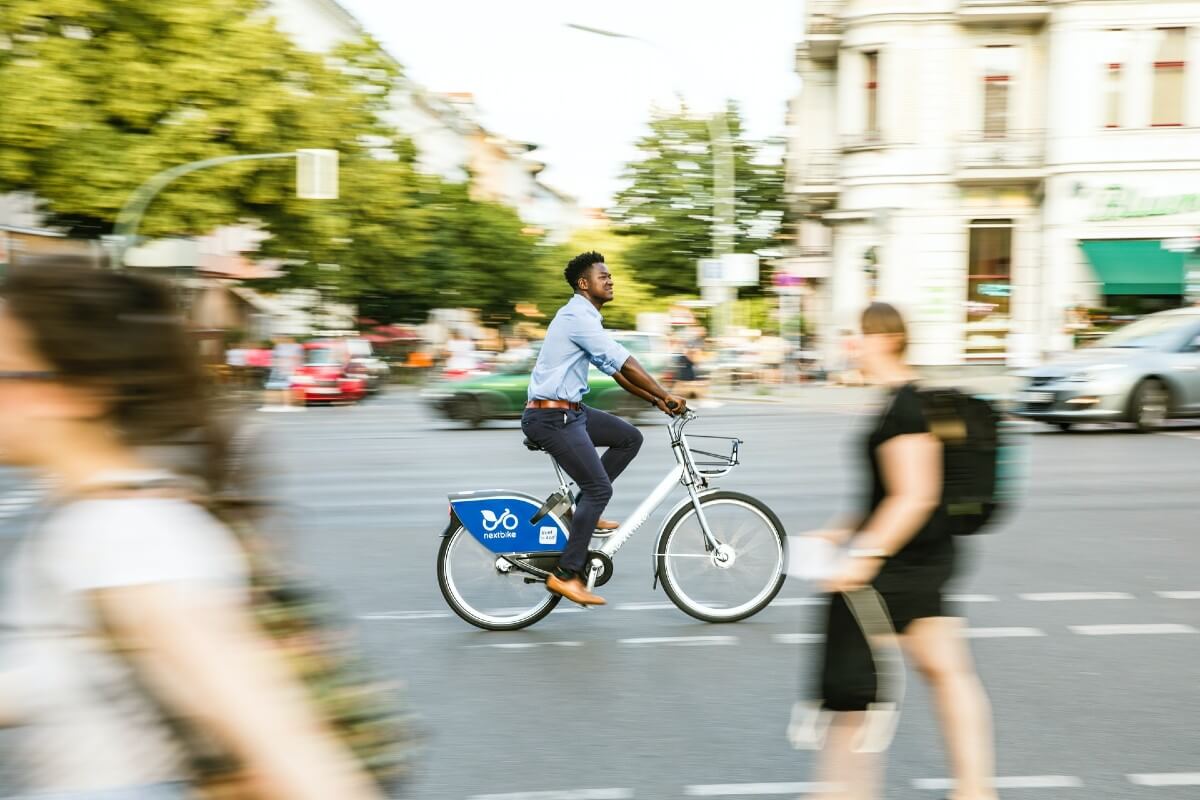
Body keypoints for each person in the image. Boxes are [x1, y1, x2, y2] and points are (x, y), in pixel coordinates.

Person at [0, 261, 384, 799]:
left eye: (8, 372)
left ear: (78, 391)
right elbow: (68, 675)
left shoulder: (123, 533)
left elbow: (287, 748)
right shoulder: (93, 515)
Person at [802, 302, 997, 800]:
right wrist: (838, 532)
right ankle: (975, 789)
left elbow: (916, 494)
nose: (852, 345)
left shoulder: (907, 407)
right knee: (946, 670)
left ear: (887, 338)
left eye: (858, 335)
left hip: (906, 561)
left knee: (854, 682)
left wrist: (864, 556)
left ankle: (841, 793)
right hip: (921, 555)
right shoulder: (896, 401)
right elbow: (886, 493)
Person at [522, 251, 686, 606]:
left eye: (611, 276)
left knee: (629, 437)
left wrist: (656, 401)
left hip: (570, 411)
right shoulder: (576, 316)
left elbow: (616, 371)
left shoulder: (586, 319)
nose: (610, 280)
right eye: (603, 276)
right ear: (584, 284)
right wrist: (666, 393)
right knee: (598, 488)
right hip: (552, 417)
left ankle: (585, 513)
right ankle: (567, 575)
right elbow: (625, 362)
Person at [262, 335, 303, 412]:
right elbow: (275, 358)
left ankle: (288, 404)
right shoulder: (281, 346)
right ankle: (287, 404)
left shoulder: (283, 346)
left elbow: (298, 358)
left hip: (287, 369)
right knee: (286, 387)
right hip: (284, 369)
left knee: (287, 386)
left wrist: (297, 368)